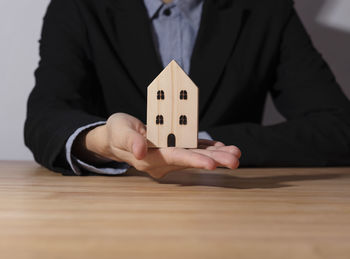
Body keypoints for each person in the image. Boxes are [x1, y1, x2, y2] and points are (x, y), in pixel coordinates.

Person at [24, 0, 350, 178]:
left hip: (236, 209)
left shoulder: (266, 10)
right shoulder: (78, 7)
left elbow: (338, 128)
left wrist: (204, 142)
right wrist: (104, 141)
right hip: (114, 208)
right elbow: (45, 116)